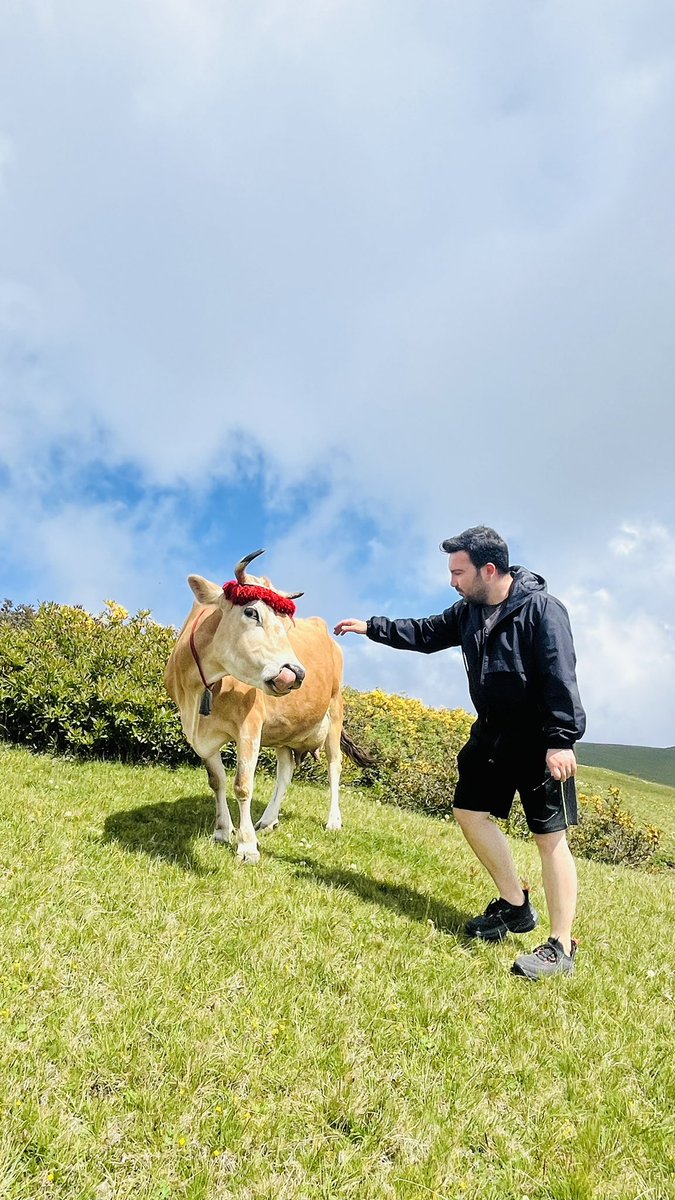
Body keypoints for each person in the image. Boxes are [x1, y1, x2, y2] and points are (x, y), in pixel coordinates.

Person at [334, 525, 586, 980]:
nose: (452, 581)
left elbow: (559, 675)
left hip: (538, 744)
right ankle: (514, 905)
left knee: (550, 840)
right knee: (469, 811)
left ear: (489, 570)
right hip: (491, 737)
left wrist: (561, 740)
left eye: (459, 572)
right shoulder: (469, 612)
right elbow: (427, 632)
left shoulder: (543, 612)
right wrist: (371, 627)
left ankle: (561, 947)